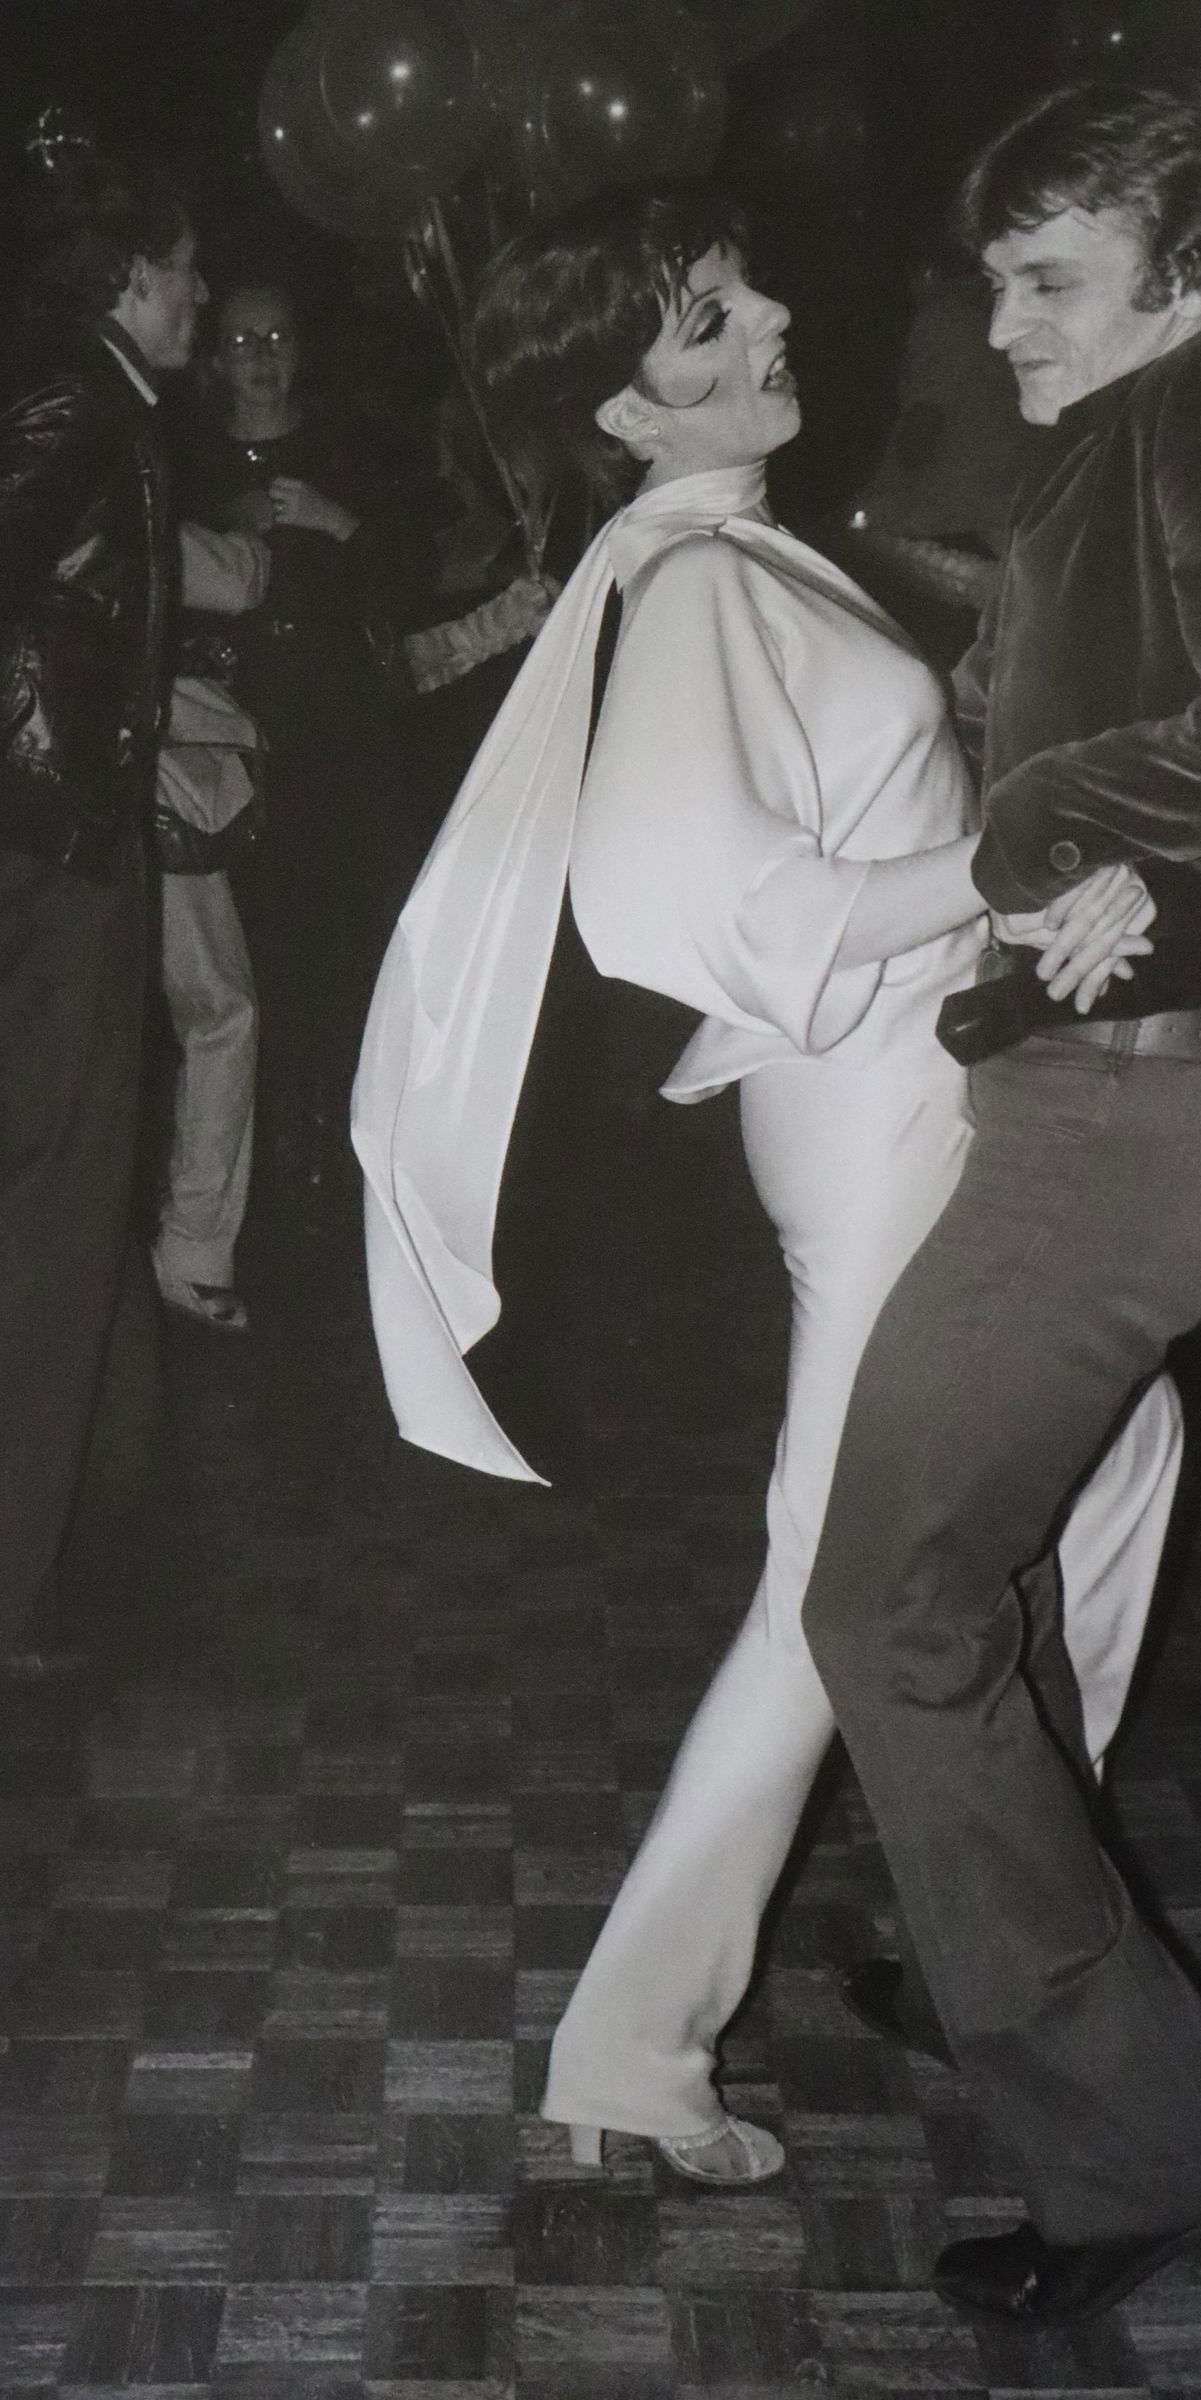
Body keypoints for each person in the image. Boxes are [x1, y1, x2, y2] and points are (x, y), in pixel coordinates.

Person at [353, 184, 1184, 2186]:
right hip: (876, 1111)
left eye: (746, 288)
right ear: (623, 414)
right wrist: (1001, 868)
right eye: (709, 320)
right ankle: (637, 2047)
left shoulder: (727, 554)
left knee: (1117, 1445)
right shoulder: (695, 588)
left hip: (903, 1087)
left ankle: (987, 1903)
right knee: (837, 1581)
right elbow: (676, 902)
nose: (774, 315)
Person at [795, 79, 1201, 2324]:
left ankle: (1170, 2143)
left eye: (1047, 280)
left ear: (1179, 276)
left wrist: (1053, 808)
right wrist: (1105, 846)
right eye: (992, 277)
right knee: (984, 1596)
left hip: (1137, 1132)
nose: (1001, 318)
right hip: (1101, 1101)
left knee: (885, 1610)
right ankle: (1010, 1976)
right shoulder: (1120, 442)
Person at [0, 161, 206, 1679]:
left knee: (83, 1181)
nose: (202, 296)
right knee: (64, 1204)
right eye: (187, 269)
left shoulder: (89, 394)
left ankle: (105, 1526)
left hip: (61, 830)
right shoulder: (83, 400)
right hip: (55, 846)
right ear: (133, 276)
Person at [179, 275, 427, 1210]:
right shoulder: (188, 456)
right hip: (234, 728)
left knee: (355, 924)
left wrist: (336, 520)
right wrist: (215, 533)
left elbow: (411, 569)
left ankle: (365, 1130)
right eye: (242, 341)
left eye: (278, 337)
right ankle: (287, 1131)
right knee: (257, 939)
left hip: (338, 723)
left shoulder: (343, 447)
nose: (263, 356)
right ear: (213, 358)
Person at [150, 522, 272, 1331]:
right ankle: (191, 1248)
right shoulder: (85, 431)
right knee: (221, 1013)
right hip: (109, 767)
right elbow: (233, 579)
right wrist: (262, 542)